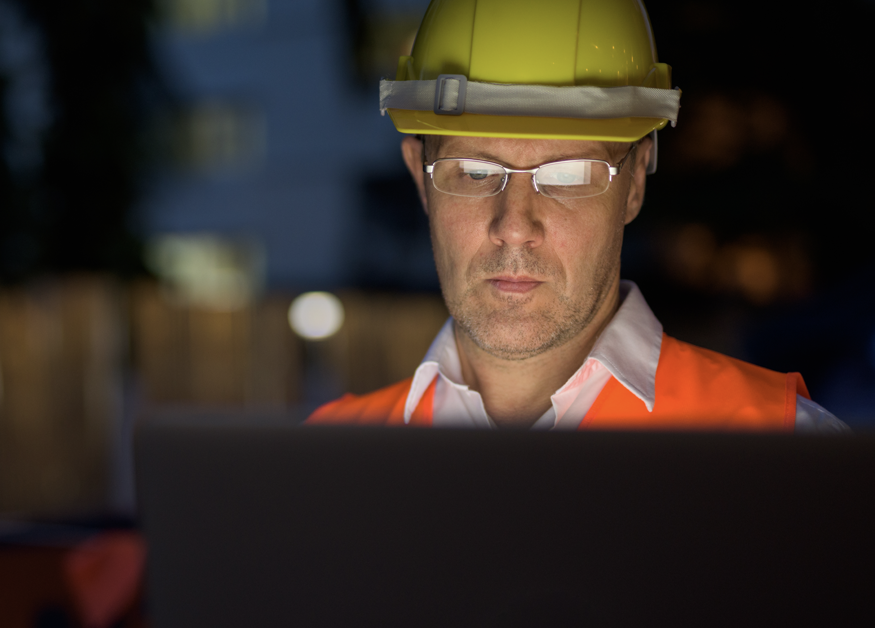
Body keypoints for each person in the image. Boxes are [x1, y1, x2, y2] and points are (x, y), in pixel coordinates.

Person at [308, 0, 846, 432]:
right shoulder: (324, 467)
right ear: (418, 175)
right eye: (472, 171)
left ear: (634, 183)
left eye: (567, 174)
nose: (514, 225)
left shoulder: (785, 451)